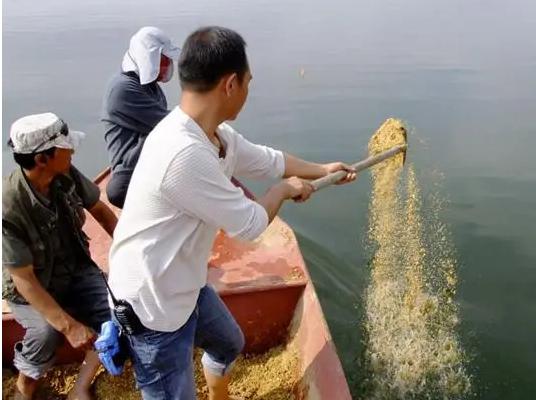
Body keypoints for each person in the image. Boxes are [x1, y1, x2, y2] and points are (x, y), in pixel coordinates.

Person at [107, 26, 357, 400]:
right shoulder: (182, 152)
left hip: (184, 284)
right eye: (248, 82)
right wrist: (283, 191)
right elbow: (251, 224)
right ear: (230, 85)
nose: (248, 91)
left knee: (227, 343)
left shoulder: (213, 133)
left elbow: (268, 160)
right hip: (152, 306)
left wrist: (323, 170)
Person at [2, 113, 118, 400]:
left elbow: (101, 212)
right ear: (42, 159)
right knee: (45, 333)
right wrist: (69, 326)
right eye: (65, 147)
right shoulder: (9, 207)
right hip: (32, 287)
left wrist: (132, 255)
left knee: (117, 311)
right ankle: (23, 390)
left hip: (74, 269)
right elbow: (24, 280)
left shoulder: (64, 173)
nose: (73, 151)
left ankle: (81, 388)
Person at [101, 26, 180, 208]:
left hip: (152, 162)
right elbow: (170, 126)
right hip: (131, 172)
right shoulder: (123, 89)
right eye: (164, 60)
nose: (168, 66)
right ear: (149, 58)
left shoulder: (150, 87)